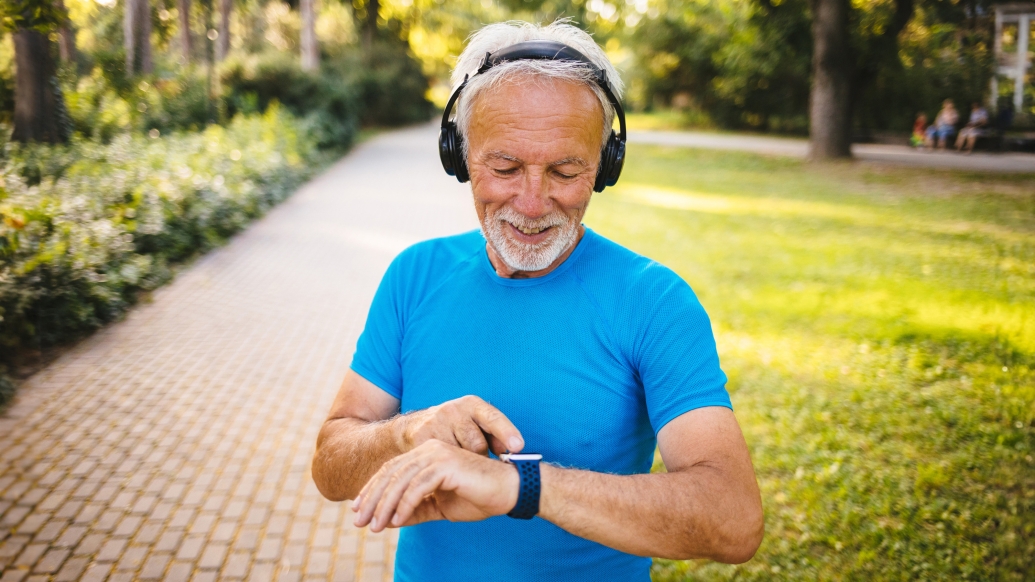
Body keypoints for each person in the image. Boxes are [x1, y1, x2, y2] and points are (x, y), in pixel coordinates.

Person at [311, 21, 764, 582]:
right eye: (503, 168)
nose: (531, 202)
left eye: (564, 170)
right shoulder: (414, 275)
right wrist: (408, 432)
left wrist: (522, 487)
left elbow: (734, 519)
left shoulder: (655, 302)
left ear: (605, 166)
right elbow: (330, 467)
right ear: (459, 155)